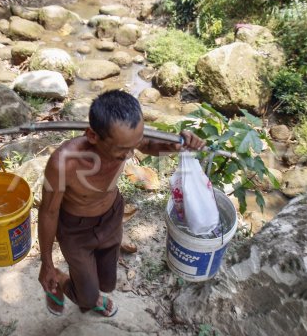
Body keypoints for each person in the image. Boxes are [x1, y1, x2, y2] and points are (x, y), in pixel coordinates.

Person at [38, 90, 206, 317]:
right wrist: (47, 263)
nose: (129, 155)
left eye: (133, 146)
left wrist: (178, 144)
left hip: (111, 217)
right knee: (87, 298)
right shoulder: (64, 162)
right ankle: (61, 279)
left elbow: (149, 145)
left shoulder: (127, 140)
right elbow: (48, 212)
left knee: (107, 284)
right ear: (92, 136)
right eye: (121, 150)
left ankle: (93, 288)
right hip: (76, 232)